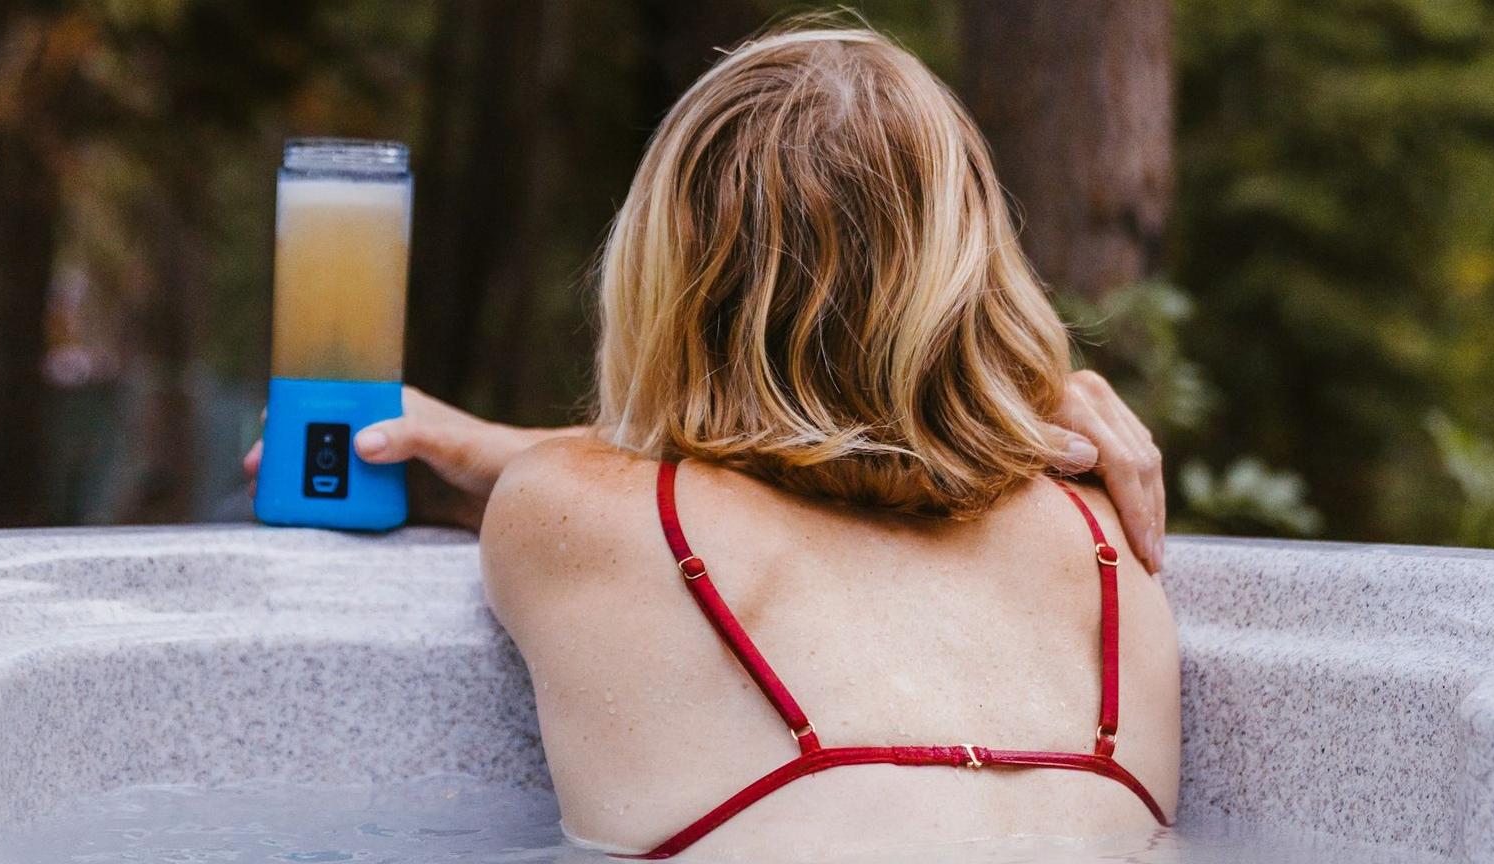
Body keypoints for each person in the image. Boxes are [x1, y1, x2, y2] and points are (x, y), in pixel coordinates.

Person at [246, 20, 1178, 863]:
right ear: (972, 266)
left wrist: (487, 453)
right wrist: (992, 400)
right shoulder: (1108, 535)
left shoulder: (566, 509)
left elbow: (678, 470)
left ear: (668, 275)